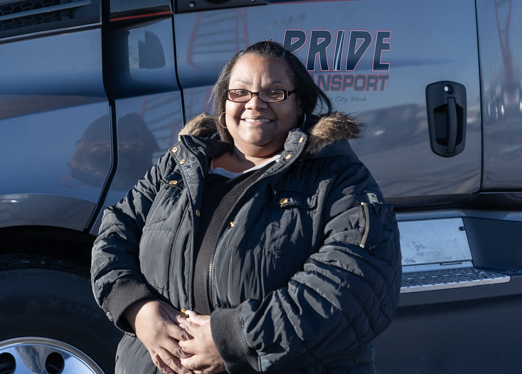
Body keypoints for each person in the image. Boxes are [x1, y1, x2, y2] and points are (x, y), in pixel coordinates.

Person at [91, 40, 401, 374]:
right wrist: (137, 308)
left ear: (300, 105)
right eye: (240, 92)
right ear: (225, 103)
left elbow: (353, 287)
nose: (255, 103)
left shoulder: (337, 176)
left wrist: (234, 339)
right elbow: (114, 234)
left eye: (274, 92)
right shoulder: (179, 165)